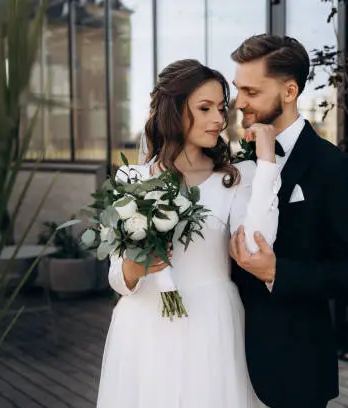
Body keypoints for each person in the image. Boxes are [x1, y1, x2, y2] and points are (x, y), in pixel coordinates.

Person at [96, 59, 282, 408]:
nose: (218, 119)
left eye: (221, 108)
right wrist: (136, 268)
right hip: (144, 328)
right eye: (205, 108)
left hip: (211, 323)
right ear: (173, 110)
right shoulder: (132, 180)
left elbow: (258, 244)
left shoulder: (234, 178)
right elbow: (117, 279)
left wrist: (267, 161)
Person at [228, 34, 348, 408]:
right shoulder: (233, 164)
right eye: (237, 89)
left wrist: (277, 271)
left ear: (289, 90)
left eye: (250, 91)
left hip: (294, 367)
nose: (239, 102)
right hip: (225, 356)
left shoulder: (333, 167)